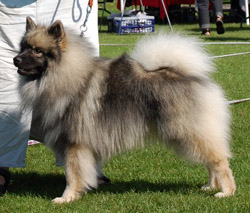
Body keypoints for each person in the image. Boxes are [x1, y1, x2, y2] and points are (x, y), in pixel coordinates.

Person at [0, 0, 100, 196]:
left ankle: (85, 172)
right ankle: (1, 164)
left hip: (70, 5)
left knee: (80, 110)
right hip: (12, 4)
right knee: (5, 90)